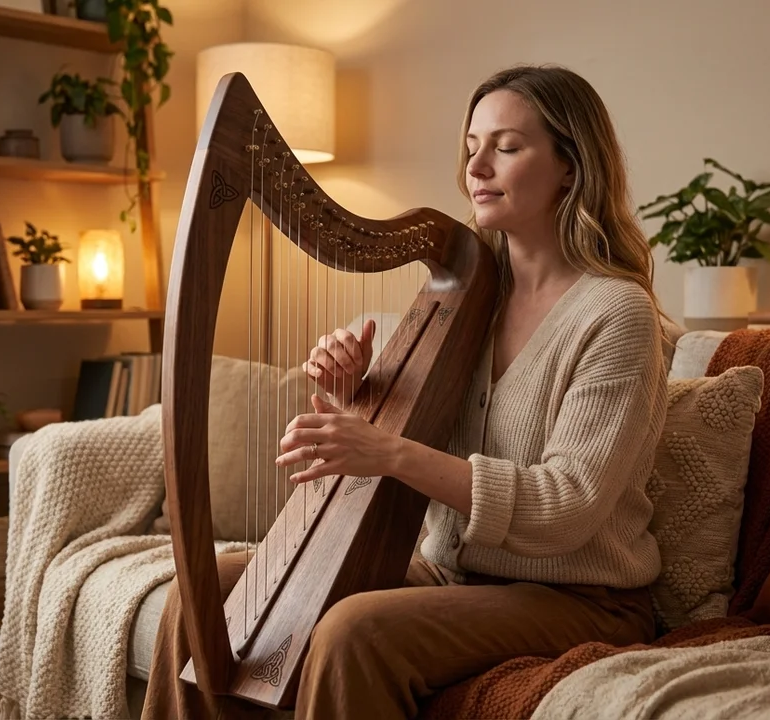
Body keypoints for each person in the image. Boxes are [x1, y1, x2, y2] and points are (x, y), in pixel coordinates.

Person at [143, 63, 670, 720]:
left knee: (351, 634)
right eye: (472, 146)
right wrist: (350, 392)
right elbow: (416, 427)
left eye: (506, 147)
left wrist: (388, 453)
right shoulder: (473, 291)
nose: (477, 167)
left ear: (571, 165)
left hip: (580, 598)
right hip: (450, 573)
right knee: (204, 595)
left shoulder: (615, 314)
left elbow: (569, 508)